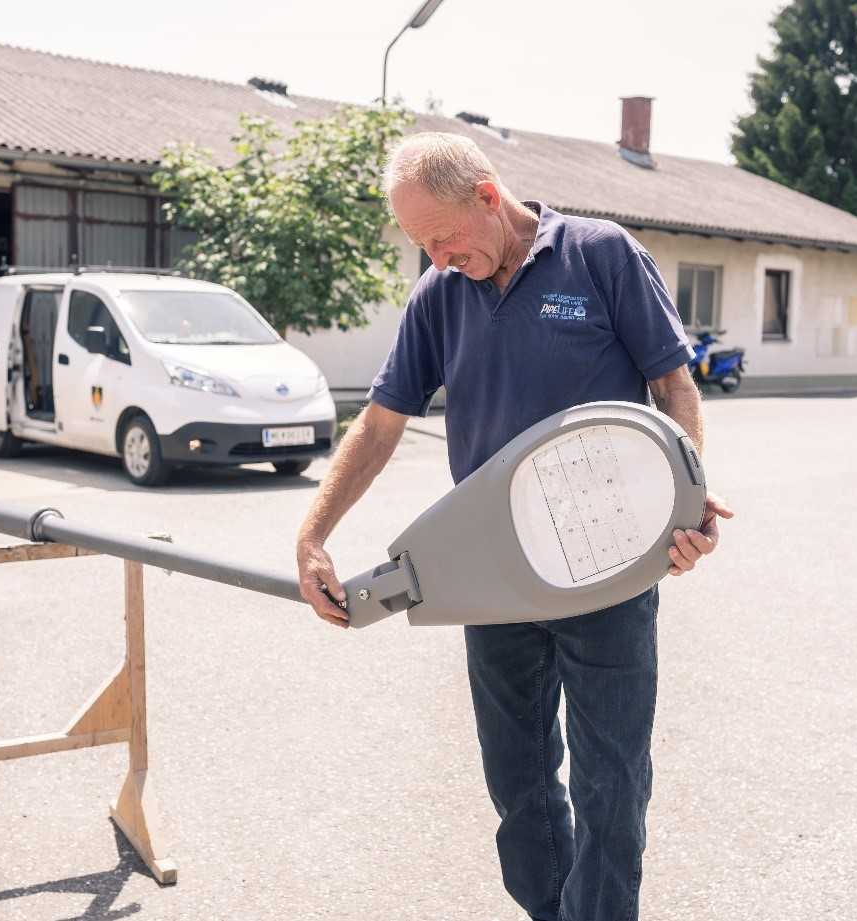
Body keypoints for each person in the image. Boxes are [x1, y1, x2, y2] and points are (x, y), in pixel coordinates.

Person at [295, 132, 733, 921]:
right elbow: (382, 420)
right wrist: (314, 531)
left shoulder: (599, 255)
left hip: (606, 569)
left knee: (610, 780)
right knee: (518, 778)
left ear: (488, 198)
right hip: (490, 576)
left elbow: (674, 386)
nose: (433, 258)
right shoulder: (439, 294)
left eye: (440, 238)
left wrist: (687, 499)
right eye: (418, 245)